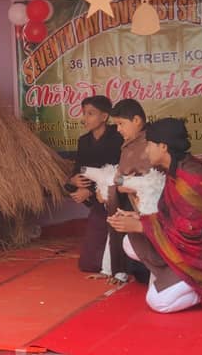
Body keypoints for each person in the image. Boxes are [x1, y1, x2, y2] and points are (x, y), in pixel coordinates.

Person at [108, 118, 202, 315]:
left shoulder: (191, 179)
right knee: (130, 242)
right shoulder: (177, 168)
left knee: (158, 302)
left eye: (149, 145)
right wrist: (138, 217)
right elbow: (174, 216)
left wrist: (141, 225)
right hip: (186, 247)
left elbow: (192, 232)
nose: (145, 151)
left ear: (163, 147)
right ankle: (178, 280)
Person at [68, 96, 123, 276]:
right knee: (88, 264)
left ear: (104, 116)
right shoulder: (84, 141)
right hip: (97, 202)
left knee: (115, 259)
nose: (85, 118)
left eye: (90, 114)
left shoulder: (118, 137)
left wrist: (89, 191)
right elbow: (79, 169)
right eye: (84, 113)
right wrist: (74, 181)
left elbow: (117, 172)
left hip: (118, 197)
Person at [101, 99, 152, 282]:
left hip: (148, 209)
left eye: (121, 124)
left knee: (144, 271)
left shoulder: (149, 143)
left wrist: (122, 185)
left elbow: (153, 181)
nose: (118, 129)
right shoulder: (131, 144)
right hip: (128, 203)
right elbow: (121, 175)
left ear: (137, 120)